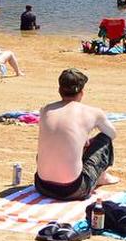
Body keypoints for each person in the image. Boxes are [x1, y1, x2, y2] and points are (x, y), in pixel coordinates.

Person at [34, 68, 118, 200]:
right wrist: (85, 140)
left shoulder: (45, 110)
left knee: (53, 144)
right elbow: (111, 134)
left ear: (59, 90)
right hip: (73, 190)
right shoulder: (93, 112)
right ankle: (102, 177)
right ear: (82, 92)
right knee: (104, 139)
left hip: (41, 186)